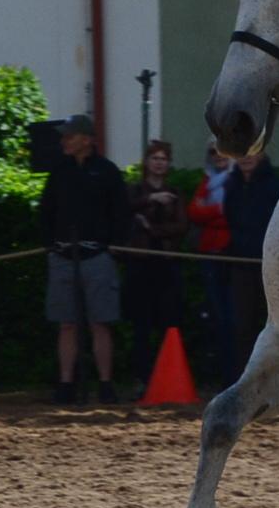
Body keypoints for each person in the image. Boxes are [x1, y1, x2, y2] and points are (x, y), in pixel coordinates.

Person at [39, 113, 129, 404]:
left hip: (97, 256)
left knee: (100, 323)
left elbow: (121, 211)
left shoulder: (107, 171)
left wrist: (115, 245)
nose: (64, 141)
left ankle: (105, 383)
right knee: (66, 323)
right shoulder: (59, 171)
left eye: (70, 136)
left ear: (87, 139)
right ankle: (66, 383)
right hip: (63, 255)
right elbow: (46, 211)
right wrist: (50, 245)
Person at [125, 138, 188, 395]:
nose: (159, 163)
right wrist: (152, 198)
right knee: (141, 325)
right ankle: (141, 379)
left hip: (167, 264)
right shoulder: (135, 190)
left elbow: (181, 226)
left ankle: (167, 379)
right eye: (155, 158)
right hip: (140, 264)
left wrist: (152, 228)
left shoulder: (175, 192)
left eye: (163, 159)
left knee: (168, 322)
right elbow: (124, 210)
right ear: (147, 162)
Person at [223, 152, 279, 377]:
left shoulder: (275, 187)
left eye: (251, 152)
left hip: (271, 268)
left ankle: (276, 378)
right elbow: (231, 219)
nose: (246, 157)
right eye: (241, 153)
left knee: (276, 328)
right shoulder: (232, 186)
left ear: (262, 154)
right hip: (241, 266)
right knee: (242, 326)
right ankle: (244, 378)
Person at [188, 140, 236, 388]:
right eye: (213, 152)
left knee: (233, 317)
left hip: (231, 254)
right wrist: (218, 210)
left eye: (223, 151)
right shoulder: (207, 181)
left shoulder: (236, 179)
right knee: (215, 315)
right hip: (209, 254)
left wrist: (211, 212)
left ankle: (233, 373)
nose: (218, 156)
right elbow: (193, 212)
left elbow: (233, 214)